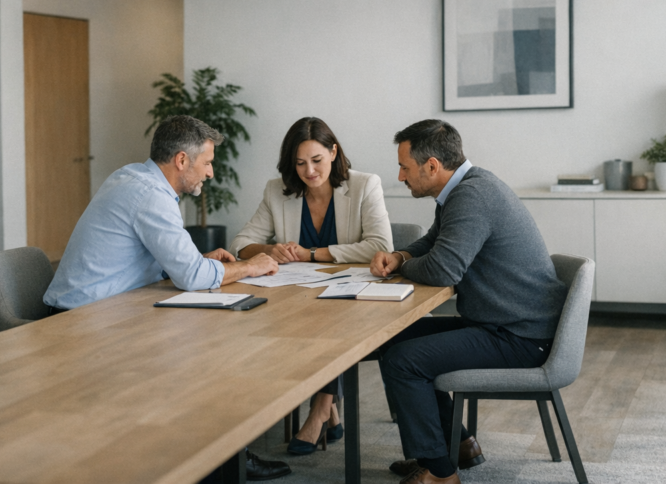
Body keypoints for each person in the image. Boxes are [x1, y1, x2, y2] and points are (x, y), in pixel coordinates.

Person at [43, 114, 290, 482]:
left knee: (203, 347)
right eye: (206, 163)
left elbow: (159, 263)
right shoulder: (150, 195)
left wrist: (199, 260)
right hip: (80, 325)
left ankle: (219, 458)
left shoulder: (133, 177)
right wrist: (249, 268)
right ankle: (217, 463)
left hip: (105, 311)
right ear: (181, 161)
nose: (209, 173)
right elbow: (191, 278)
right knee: (204, 355)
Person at [369, 120, 567, 484]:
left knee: (404, 361)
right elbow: (433, 242)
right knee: (393, 339)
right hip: (505, 323)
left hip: (520, 336)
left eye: (405, 167)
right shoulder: (464, 188)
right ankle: (456, 446)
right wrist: (399, 256)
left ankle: (441, 473)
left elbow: (443, 268)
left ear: (432, 166)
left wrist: (406, 265)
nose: (400, 176)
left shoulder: (472, 196)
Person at [230, 116, 393, 456]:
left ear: (333, 152)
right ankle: (332, 411)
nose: (310, 171)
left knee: (333, 326)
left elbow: (380, 245)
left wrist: (312, 254)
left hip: (352, 298)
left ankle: (319, 411)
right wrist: (270, 249)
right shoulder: (278, 191)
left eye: (317, 160)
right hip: (296, 297)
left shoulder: (364, 185)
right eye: (300, 163)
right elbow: (242, 243)